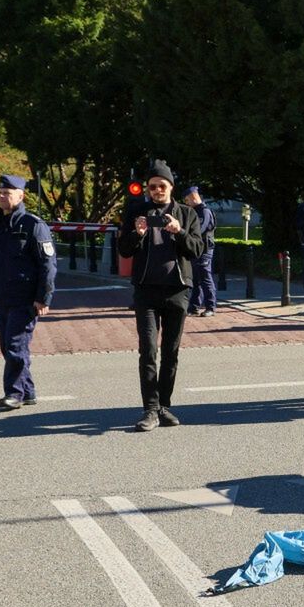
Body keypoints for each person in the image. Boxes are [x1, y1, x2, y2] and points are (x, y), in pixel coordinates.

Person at [123, 164, 206, 430]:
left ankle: (164, 406)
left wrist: (179, 231)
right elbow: (123, 250)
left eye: (162, 186)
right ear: (147, 189)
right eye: (152, 186)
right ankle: (149, 409)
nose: (157, 190)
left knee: (171, 352)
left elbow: (197, 249)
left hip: (177, 290)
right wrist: (137, 234)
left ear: (171, 187)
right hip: (146, 290)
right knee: (148, 350)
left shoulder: (187, 213)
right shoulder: (136, 212)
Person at [0, 174, 56, 410]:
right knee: (8, 346)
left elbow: (48, 265)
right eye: (0, 192)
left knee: (15, 345)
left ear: (20, 196)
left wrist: (43, 298)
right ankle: (28, 391)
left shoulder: (33, 225)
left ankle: (14, 393)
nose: (2, 197)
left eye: (7, 193)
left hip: (24, 298)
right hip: (1, 297)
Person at [182, 184, 218, 317]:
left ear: (193, 197)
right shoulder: (195, 211)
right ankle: (194, 306)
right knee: (196, 279)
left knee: (205, 278)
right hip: (197, 248)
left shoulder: (204, 211)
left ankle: (211, 307)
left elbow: (199, 229)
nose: (187, 203)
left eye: (187, 200)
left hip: (205, 250)